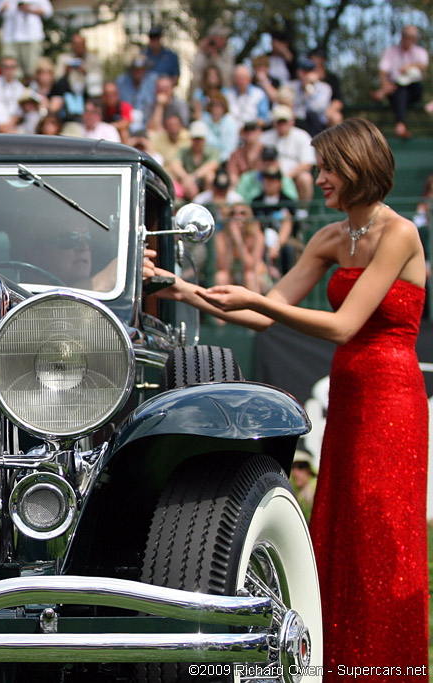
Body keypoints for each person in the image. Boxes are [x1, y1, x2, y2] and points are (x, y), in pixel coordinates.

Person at [157, 118, 428, 678]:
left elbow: (345, 325)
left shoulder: (399, 233)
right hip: (351, 392)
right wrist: (181, 287)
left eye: (327, 168)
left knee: (382, 532)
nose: (319, 177)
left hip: (392, 396)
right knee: (339, 523)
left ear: (356, 167)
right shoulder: (330, 237)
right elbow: (258, 314)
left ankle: (387, 667)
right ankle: (342, 661)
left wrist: (261, 301)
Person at [375, 25, 428, 139]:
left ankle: (399, 124)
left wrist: (409, 66)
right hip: (395, 89)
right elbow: (382, 70)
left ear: (415, 39)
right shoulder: (391, 52)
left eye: (410, 37)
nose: (407, 39)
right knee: (400, 91)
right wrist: (385, 85)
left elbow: (423, 66)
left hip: (414, 89)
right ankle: (400, 126)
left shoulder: (420, 52)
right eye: (405, 36)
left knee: (402, 91)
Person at [0, 0, 52, 79]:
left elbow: (48, 12)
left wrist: (29, 9)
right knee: (10, 68)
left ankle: (29, 90)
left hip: (32, 37)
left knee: (31, 70)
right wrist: (5, 8)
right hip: (10, 37)